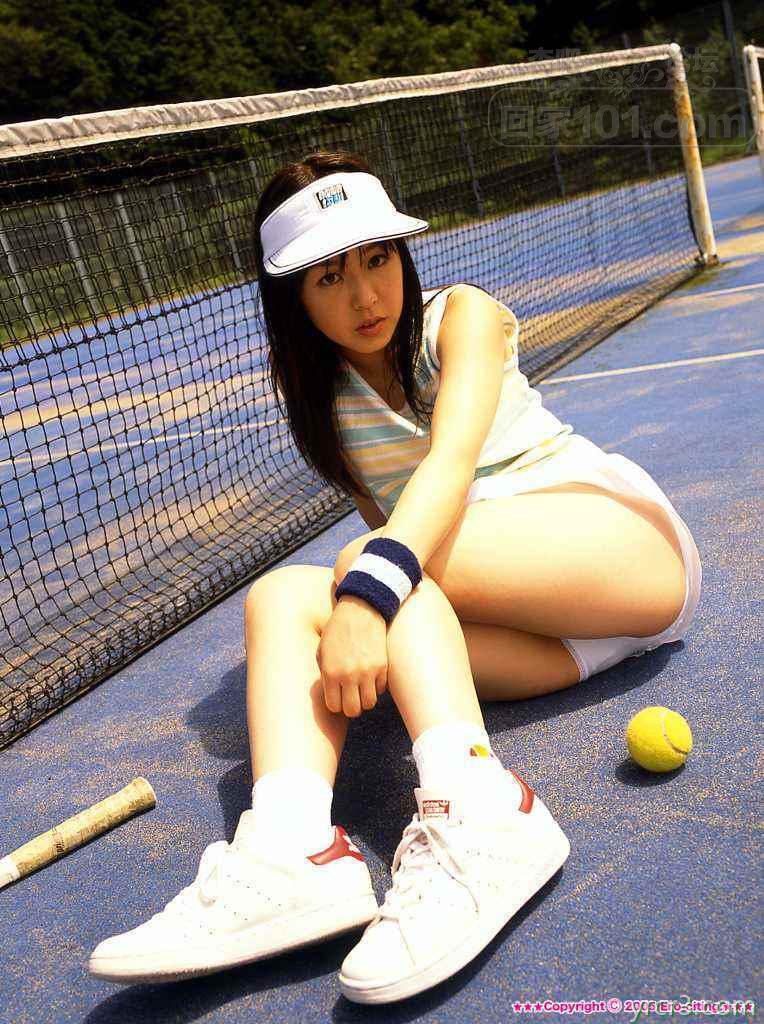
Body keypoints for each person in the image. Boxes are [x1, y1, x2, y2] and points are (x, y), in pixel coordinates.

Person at [88, 150, 702, 1003]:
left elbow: (447, 472)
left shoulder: (462, 316)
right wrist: (359, 607)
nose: (366, 295)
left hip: (620, 551)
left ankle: (486, 815)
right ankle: (293, 849)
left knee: (361, 568)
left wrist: (363, 596)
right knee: (281, 596)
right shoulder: (325, 404)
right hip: (557, 644)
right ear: (294, 299)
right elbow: (406, 563)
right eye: (329, 276)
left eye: (378, 258)